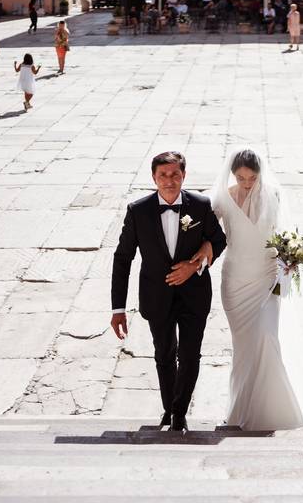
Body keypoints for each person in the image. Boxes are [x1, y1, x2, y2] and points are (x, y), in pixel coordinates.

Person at [211, 148, 303, 431]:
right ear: (233, 175)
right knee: (244, 348)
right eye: (241, 178)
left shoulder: (273, 194)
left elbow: (285, 233)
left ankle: (271, 411)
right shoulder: (222, 198)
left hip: (267, 280)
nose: (247, 184)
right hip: (235, 282)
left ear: (260, 174)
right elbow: (208, 233)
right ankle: (240, 409)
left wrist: (290, 256)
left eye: (252, 178)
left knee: (267, 337)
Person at [110, 151, 228, 433]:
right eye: (163, 175)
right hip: (156, 295)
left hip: (194, 294)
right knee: (164, 354)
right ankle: (169, 406)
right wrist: (118, 308)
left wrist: (195, 265)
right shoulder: (138, 211)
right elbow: (122, 257)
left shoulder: (200, 205)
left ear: (184, 176)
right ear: (154, 178)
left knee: (190, 355)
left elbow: (219, 240)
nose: (169, 180)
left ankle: (178, 412)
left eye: (175, 174)